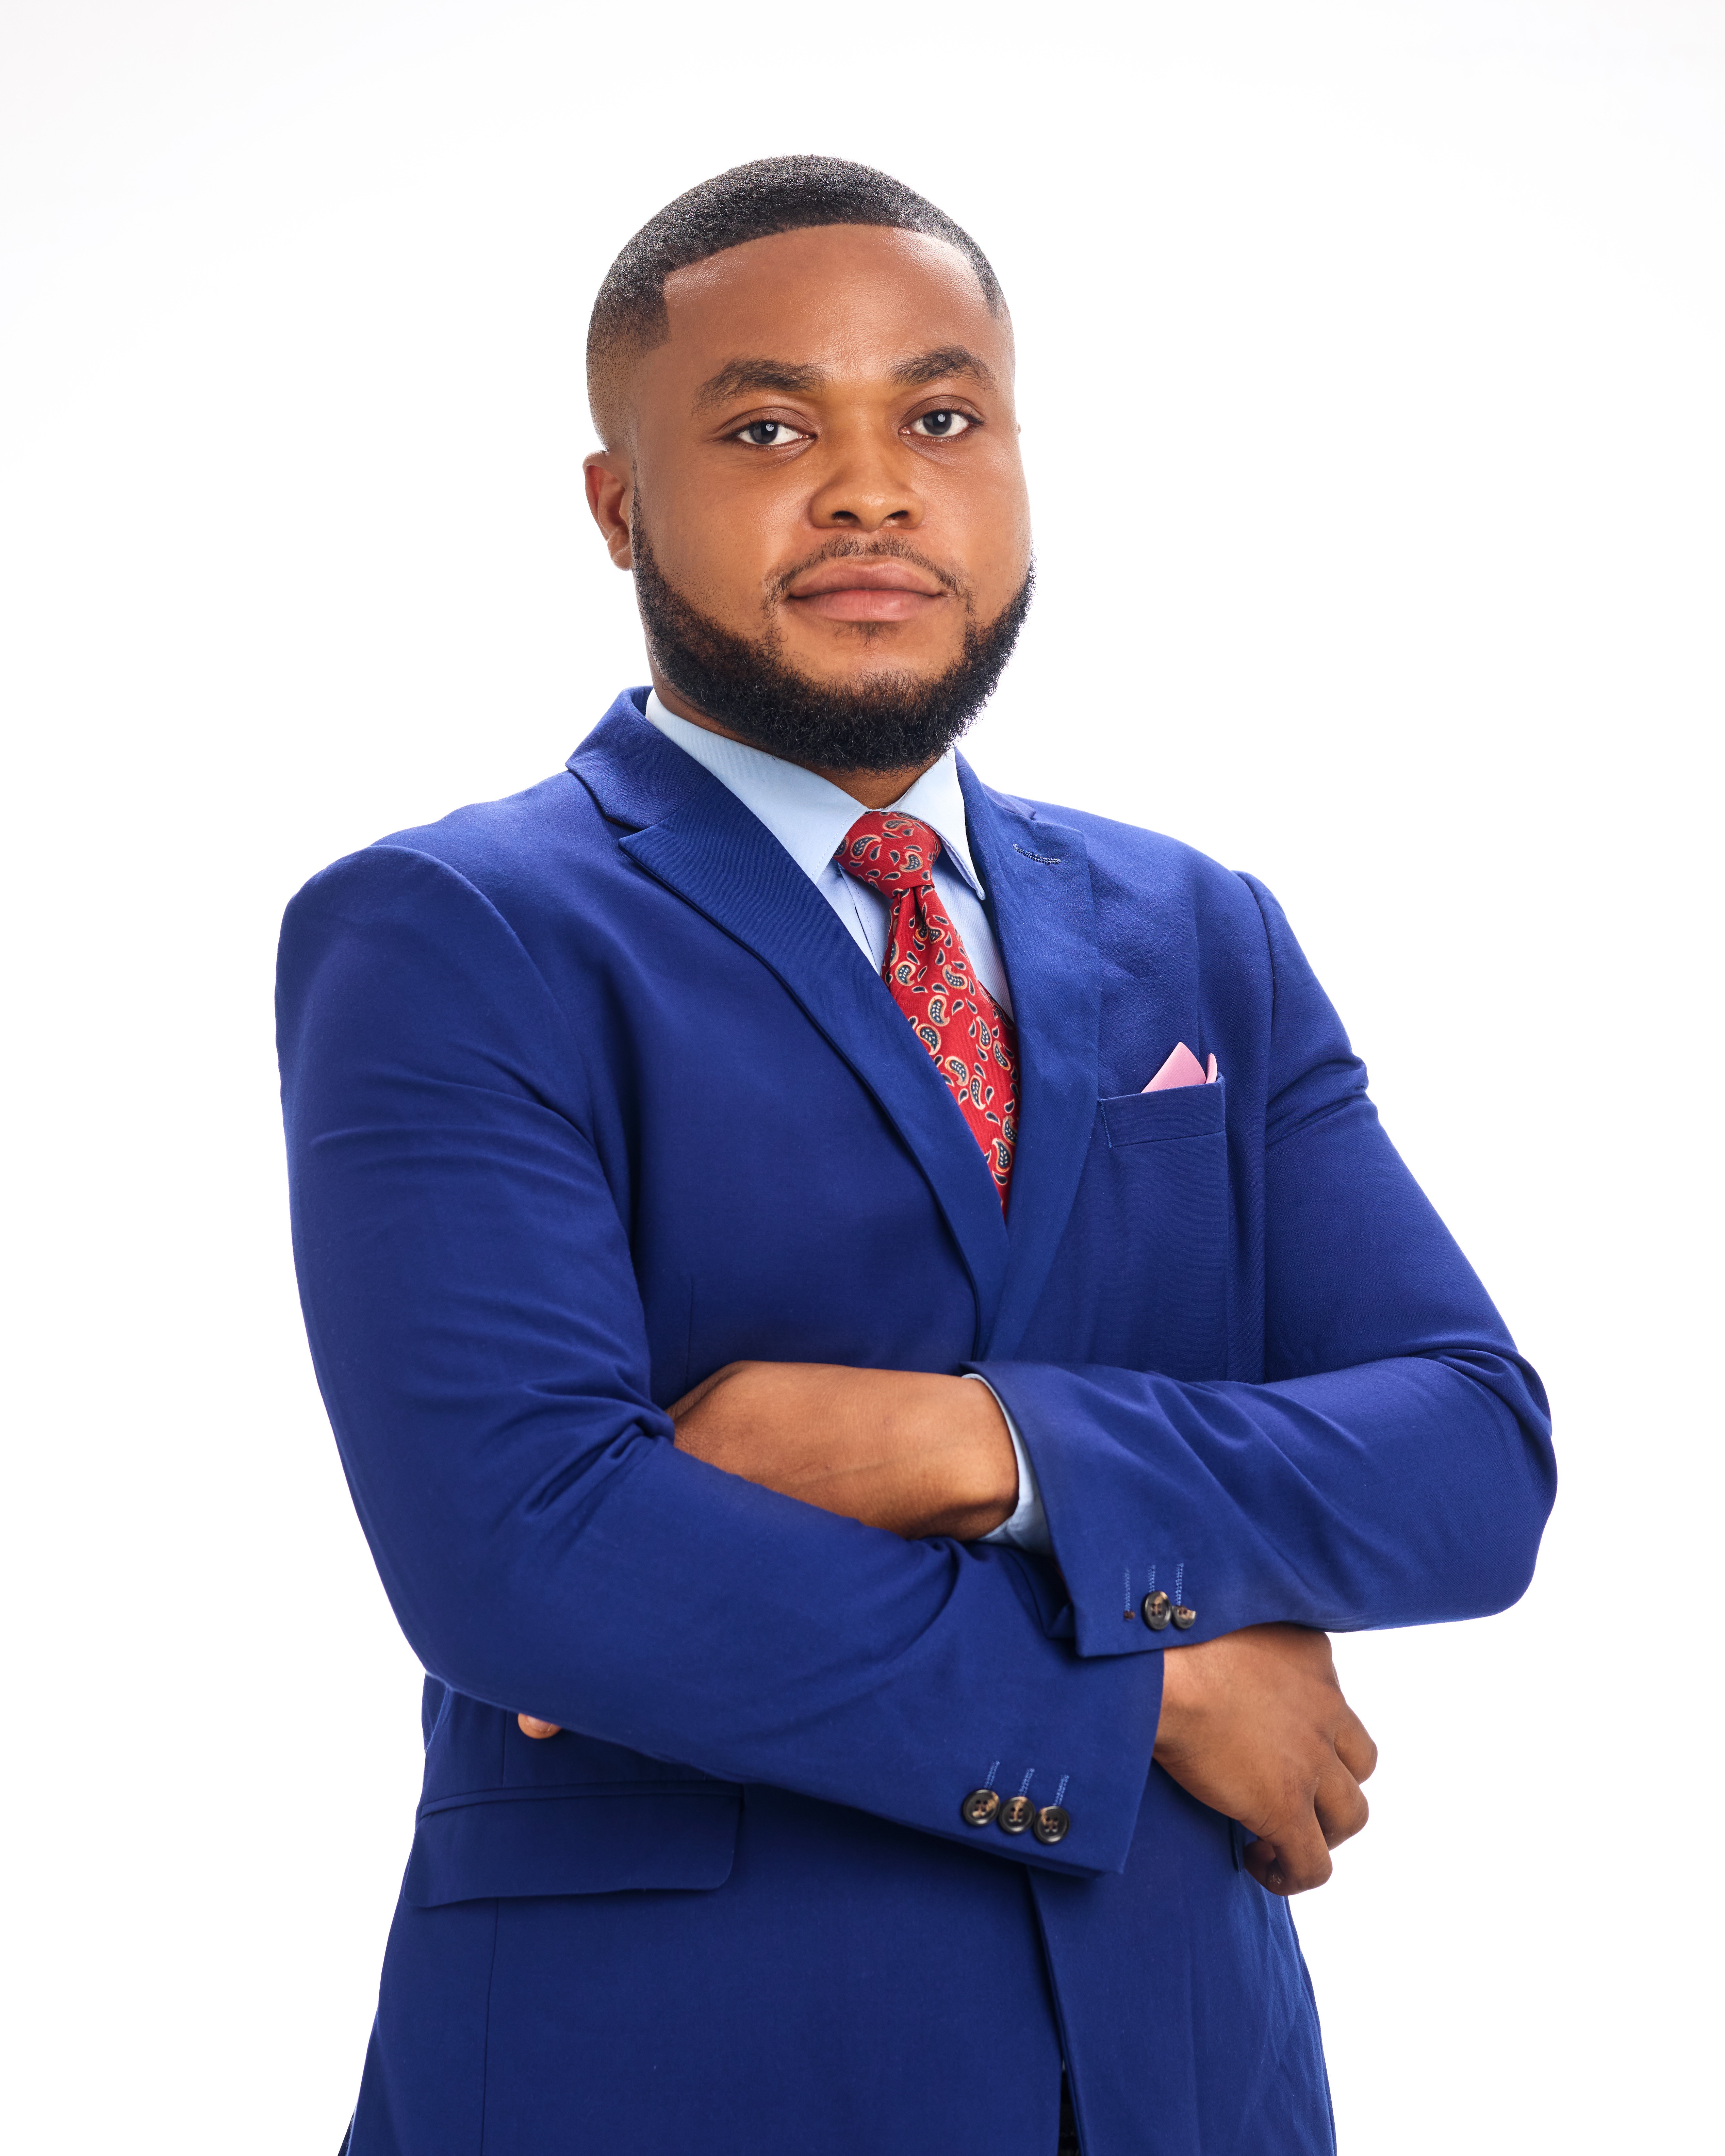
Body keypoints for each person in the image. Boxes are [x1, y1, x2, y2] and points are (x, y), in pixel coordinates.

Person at [277, 156, 1554, 2156]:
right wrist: (1149, 1695)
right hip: (668, 2079)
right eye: (769, 430)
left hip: (1181, 2081)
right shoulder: (457, 932)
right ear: (618, 505)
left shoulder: (1200, 930)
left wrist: (975, 1444)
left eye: (941, 420)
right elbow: (525, 1556)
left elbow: (1472, 1455)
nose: (873, 491)